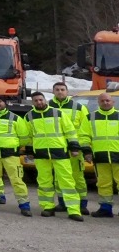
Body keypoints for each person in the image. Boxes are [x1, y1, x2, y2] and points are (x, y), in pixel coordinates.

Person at [25, 91, 83, 221]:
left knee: (67, 181)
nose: (39, 102)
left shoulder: (58, 113)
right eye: (36, 101)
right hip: (40, 154)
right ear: (32, 102)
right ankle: (48, 207)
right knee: (44, 182)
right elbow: (28, 136)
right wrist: (29, 151)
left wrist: (74, 147)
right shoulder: (29, 116)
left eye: (41, 100)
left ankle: (74, 210)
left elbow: (70, 132)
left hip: (60, 152)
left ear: (45, 100)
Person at [47, 82, 89, 214]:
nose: (60, 92)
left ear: (67, 91)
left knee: (77, 177)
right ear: (53, 91)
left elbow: (84, 128)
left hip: (75, 149)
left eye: (62, 89)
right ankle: (62, 203)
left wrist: (80, 147)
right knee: (59, 178)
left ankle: (82, 205)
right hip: (57, 147)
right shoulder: (47, 106)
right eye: (57, 90)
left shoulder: (79, 107)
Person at [81, 92, 119, 217]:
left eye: (108, 100)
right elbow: (84, 136)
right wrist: (87, 151)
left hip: (117, 156)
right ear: (99, 102)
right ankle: (105, 208)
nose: (105, 102)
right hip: (100, 157)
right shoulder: (90, 117)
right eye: (102, 101)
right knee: (103, 183)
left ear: (112, 102)